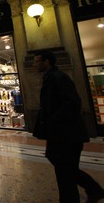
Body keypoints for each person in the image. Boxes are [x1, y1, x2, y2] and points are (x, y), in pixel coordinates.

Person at [33, 50, 104, 203]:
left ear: (47, 62)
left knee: (64, 171)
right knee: (64, 167)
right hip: (60, 133)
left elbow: (72, 103)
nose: (34, 64)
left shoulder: (59, 78)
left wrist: (51, 120)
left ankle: (73, 198)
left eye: (37, 61)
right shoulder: (51, 78)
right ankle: (94, 189)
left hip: (66, 133)